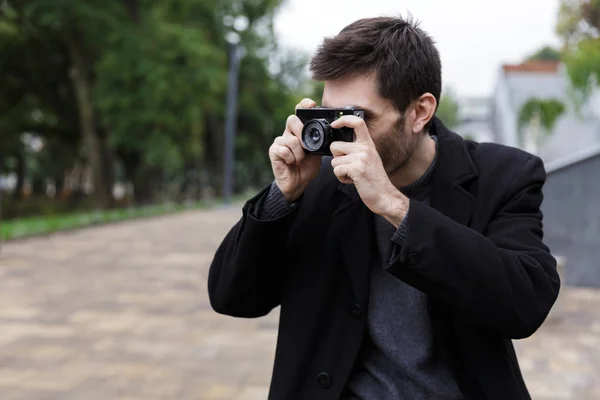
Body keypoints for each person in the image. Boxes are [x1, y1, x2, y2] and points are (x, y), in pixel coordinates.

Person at [208, 15, 560, 400]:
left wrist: (396, 207)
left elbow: (526, 304)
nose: (341, 137)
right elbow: (232, 297)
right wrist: (283, 195)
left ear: (420, 112)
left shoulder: (504, 175)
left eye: (358, 119)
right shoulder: (320, 183)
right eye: (330, 116)